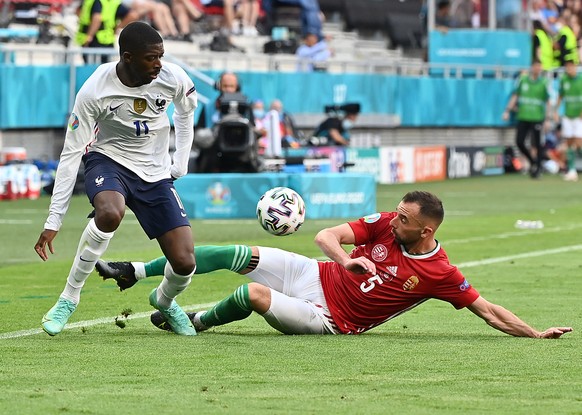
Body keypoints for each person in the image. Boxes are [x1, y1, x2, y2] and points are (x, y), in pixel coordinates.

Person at [96, 191, 573, 339]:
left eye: (404, 218)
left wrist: (534, 334)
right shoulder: (387, 224)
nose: (395, 218)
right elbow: (326, 236)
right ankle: (135, 271)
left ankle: (195, 322)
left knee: (253, 297)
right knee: (234, 254)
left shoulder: (440, 274)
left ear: (426, 231)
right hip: (315, 274)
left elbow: (488, 310)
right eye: (398, 212)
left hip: (332, 319)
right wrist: (346, 261)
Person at [34, 22, 199, 337]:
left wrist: (180, 161)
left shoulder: (172, 77)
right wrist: (54, 220)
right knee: (110, 212)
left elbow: (185, 113)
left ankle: (164, 301)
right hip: (110, 161)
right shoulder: (95, 89)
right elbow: (71, 153)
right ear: (128, 57)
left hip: (155, 172)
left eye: (161, 56)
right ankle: (69, 297)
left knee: (184, 262)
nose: (159, 64)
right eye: (152, 58)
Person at [502, 59, 551, 179]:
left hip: (537, 117)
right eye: (535, 66)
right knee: (519, 142)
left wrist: (548, 118)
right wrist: (507, 110)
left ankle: (538, 169)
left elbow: (548, 101)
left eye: (539, 66)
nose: (537, 69)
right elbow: (515, 96)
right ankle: (533, 162)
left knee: (537, 144)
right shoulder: (522, 80)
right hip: (523, 116)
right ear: (532, 67)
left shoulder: (544, 82)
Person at [76, 0, 138, 64]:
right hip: (108, 42)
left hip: (94, 42)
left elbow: (96, 19)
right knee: (104, 68)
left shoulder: (96, 1)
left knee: (92, 69)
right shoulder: (113, 2)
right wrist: (118, 27)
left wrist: (89, 36)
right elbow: (133, 15)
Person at [555, 59, 582, 181]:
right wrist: (556, 110)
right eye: (567, 67)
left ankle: (573, 170)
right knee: (570, 143)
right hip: (568, 116)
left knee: (579, 143)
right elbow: (561, 96)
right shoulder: (564, 80)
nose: (569, 69)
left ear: (576, 67)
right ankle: (572, 170)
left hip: (579, 116)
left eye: (572, 67)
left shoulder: (581, 79)